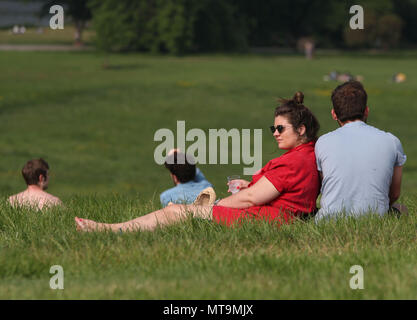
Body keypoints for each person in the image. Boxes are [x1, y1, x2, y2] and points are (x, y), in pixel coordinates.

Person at [75, 92, 320, 232]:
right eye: (272, 128)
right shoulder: (306, 155)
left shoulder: (293, 162)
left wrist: (220, 204)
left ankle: (108, 230)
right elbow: (273, 191)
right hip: (276, 217)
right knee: (181, 211)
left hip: (265, 219)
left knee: (175, 212)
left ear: (300, 129)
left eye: (280, 128)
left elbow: (251, 199)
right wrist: (251, 185)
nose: (275, 132)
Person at [315, 81, 407, 220]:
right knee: (402, 210)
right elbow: (394, 194)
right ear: (366, 111)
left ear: (334, 114)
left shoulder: (322, 142)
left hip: (328, 221)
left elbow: (326, 187)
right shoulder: (391, 141)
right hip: (376, 219)